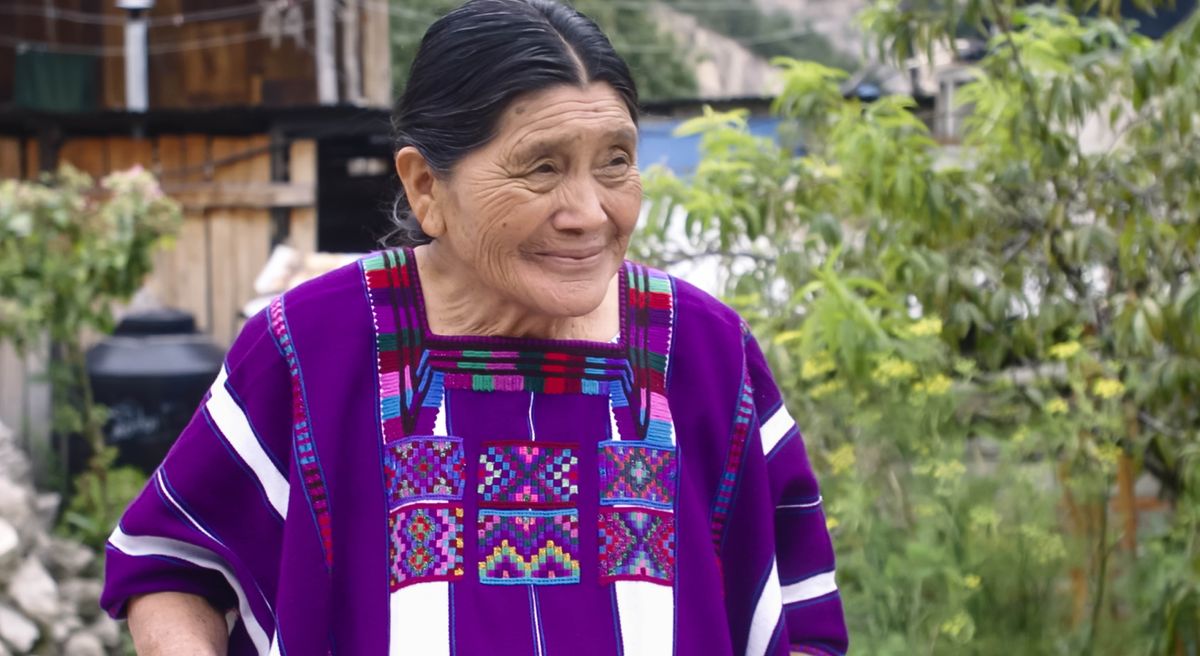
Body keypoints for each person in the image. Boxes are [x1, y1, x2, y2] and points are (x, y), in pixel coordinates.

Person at [100, 0, 849, 653]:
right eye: (542, 168)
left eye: (615, 161)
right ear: (427, 186)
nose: (589, 212)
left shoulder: (704, 353)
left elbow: (801, 613)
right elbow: (171, 565)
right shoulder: (315, 345)